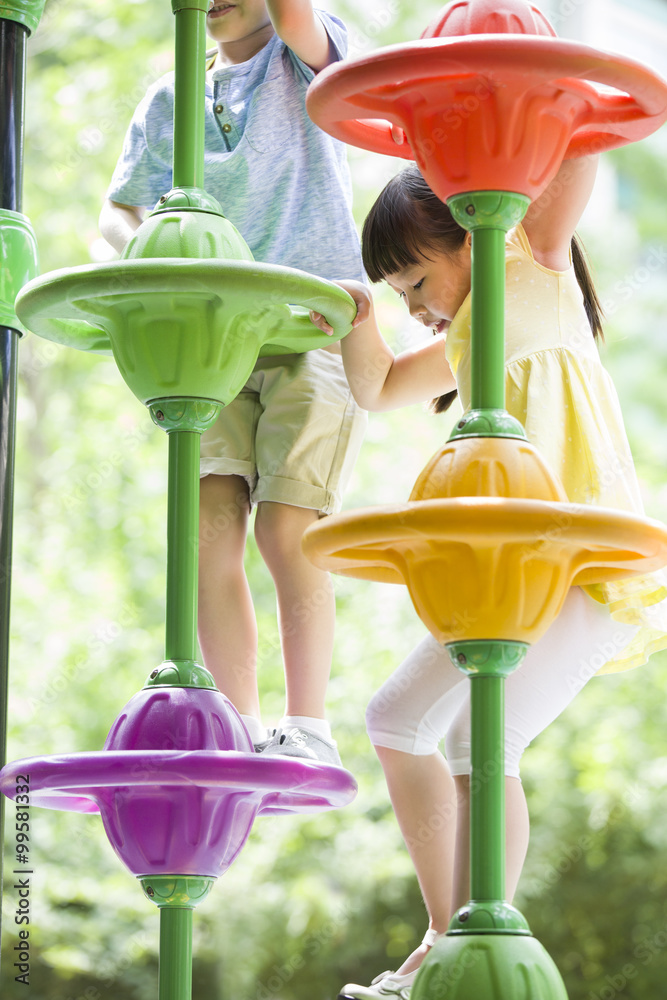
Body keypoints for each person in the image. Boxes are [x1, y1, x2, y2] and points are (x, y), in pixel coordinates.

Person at [311, 155, 667, 998]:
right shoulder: (466, 334)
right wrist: (359, 315)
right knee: (396, 718)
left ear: (469, 237)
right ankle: (445, 937)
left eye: (415, 280)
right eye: (399, 292)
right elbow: (378, 387)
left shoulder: (532, 274)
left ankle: (481, 936)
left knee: (481, 736)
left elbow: (577, 158)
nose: (415, 306)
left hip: (583, 567)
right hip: (511, 578)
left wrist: (532, 99)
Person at [99, 0, 367, 765]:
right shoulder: (169, 97)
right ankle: (238, 729)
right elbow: (117, 212)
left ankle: (308, 726)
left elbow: (294, 17)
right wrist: (147, 247)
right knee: (208, 529)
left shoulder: (300, 59)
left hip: (310, 319)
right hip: (214, 333)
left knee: (289, 525)